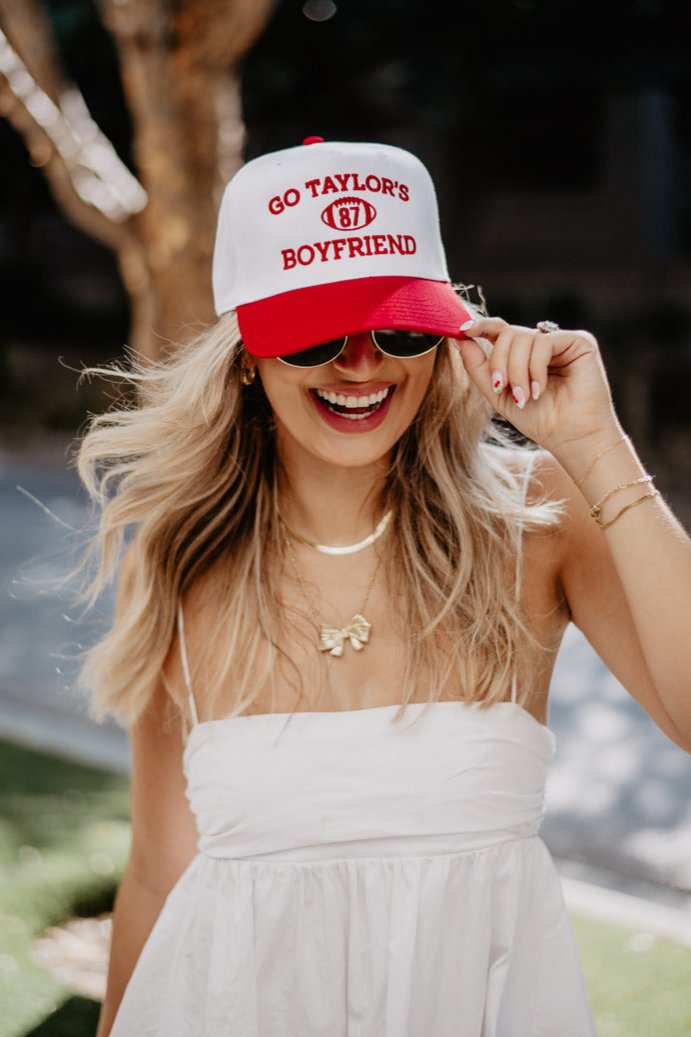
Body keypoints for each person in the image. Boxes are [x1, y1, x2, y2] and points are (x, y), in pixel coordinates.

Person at [78, 137, 691, 1037]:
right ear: (248, 352)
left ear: (444, 340)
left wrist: (597, 450)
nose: (361, 365)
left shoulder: (538, 518)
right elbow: (159, 872)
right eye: (315, 333)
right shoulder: (176, 557)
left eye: (400, 328)